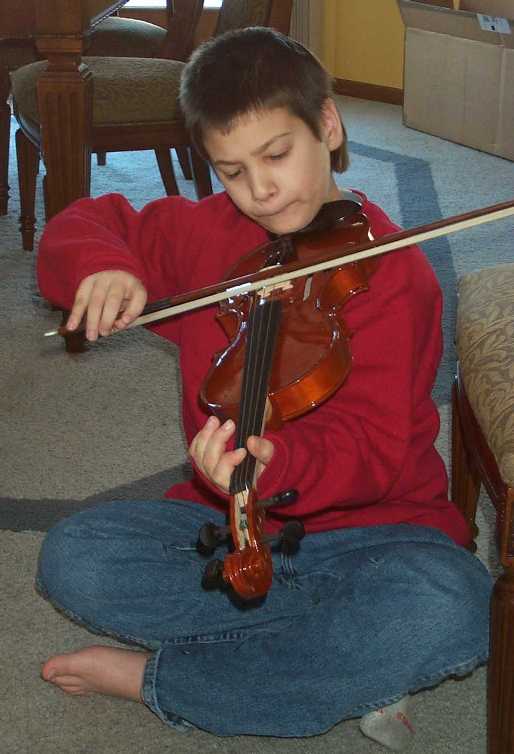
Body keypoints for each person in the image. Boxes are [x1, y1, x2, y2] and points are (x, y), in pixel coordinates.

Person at [35, 27, 491, 750]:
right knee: (73, 554)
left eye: (277, 155)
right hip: (227, 527)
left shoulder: (393, 276)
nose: (261, 190)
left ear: (328, 125)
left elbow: (375, 451)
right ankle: (337, 659)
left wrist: (278, 465)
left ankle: (162, 680)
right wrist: (101, 265)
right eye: (232, 170)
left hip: (378, 532)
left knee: (451, 603)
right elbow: (87, 220)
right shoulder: (209, 236)